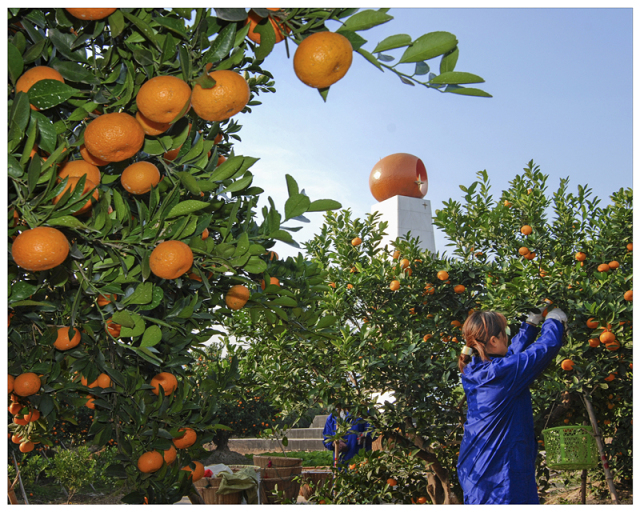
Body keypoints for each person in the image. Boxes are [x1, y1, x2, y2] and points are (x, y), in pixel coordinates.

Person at [456, 307, 568, 504]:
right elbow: (544, 348)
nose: (508, 338)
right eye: (505, 334)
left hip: (478, 468)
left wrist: (530, 327)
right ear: (493, 341)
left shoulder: (474, 368)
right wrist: (554, 321)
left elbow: (509, 356)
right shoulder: (502, 374)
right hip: (500, 475)